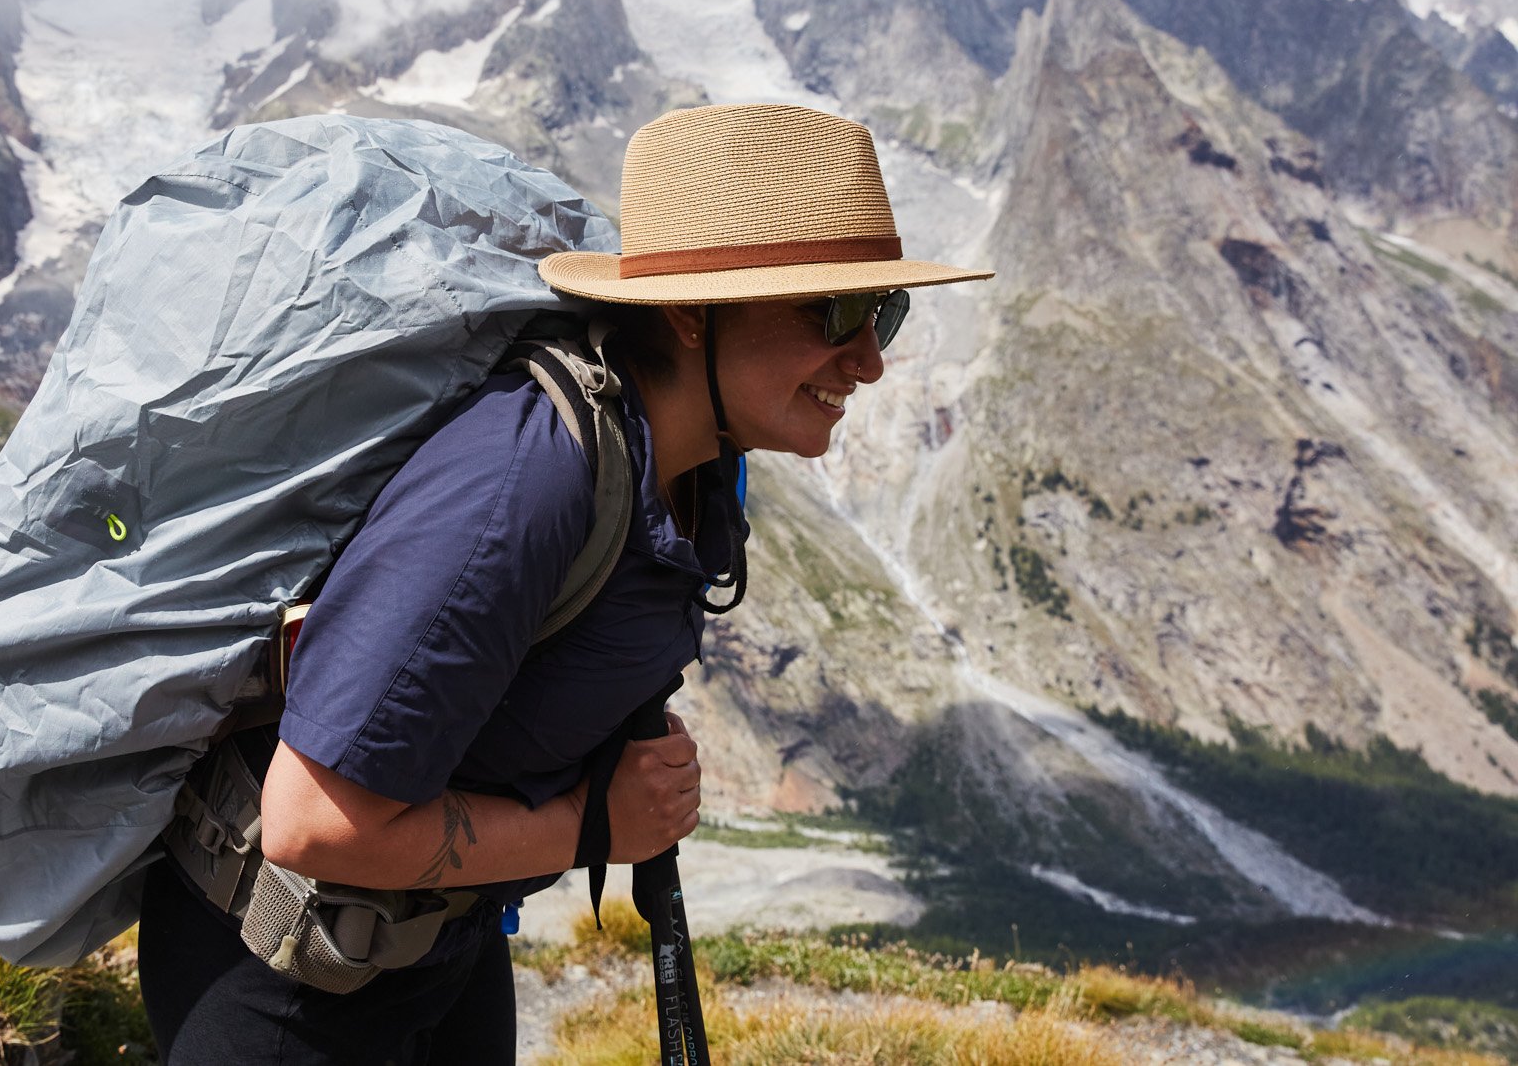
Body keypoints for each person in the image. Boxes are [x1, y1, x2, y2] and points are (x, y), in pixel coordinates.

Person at [136, 102, 992, 1063]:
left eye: (885, 311)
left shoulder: (695, 464)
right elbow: (313, 824)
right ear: (687, 311)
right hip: (286, 982)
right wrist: (596, 824)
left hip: (435, 948)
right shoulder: (522, 483)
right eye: (833, 312)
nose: (871, 360)